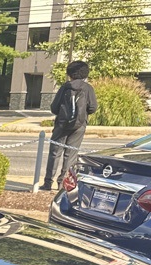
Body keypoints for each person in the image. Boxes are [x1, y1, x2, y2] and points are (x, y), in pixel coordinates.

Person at [40, 61, 97, 191]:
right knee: (70, 155)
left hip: (61, 124)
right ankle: (62, 183)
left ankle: (48, 182)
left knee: (55, 153)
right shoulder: (88, 88)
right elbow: (93, 107)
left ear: (70, 73)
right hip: (79, 126)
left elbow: (54, 108)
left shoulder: (65, 87)